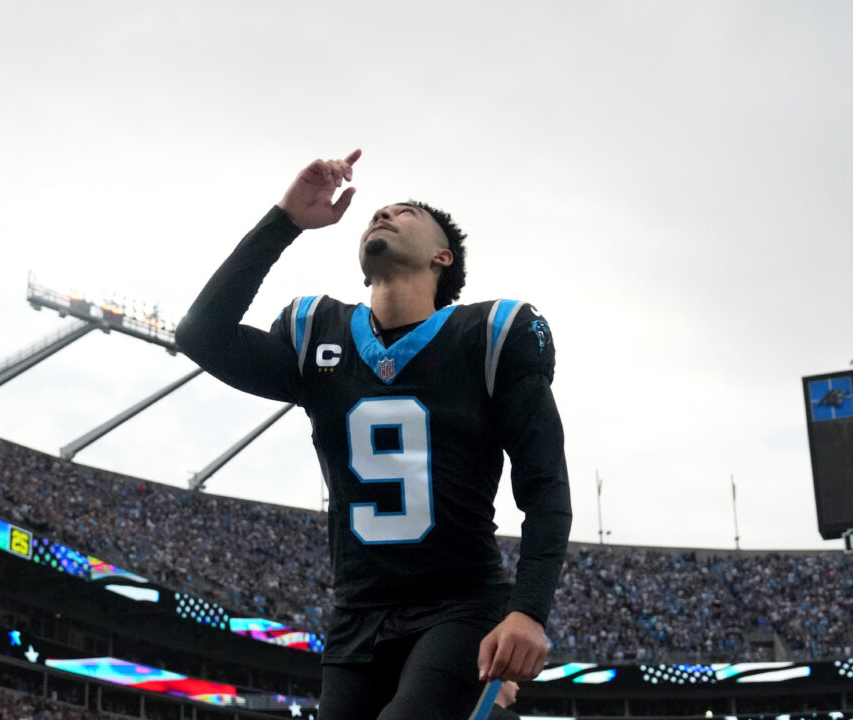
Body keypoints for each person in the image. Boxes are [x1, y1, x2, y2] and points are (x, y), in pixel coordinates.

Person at [175, 149, 571, 720]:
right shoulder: (318, 332)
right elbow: (201, 336)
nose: (383, 214)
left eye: (405, 212)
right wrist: (285, 220)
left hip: (459, 606)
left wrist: (528, 609)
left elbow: (545, 484)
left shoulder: (489, 334)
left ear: (442, 256)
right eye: (376, 213)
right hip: (356, 614)